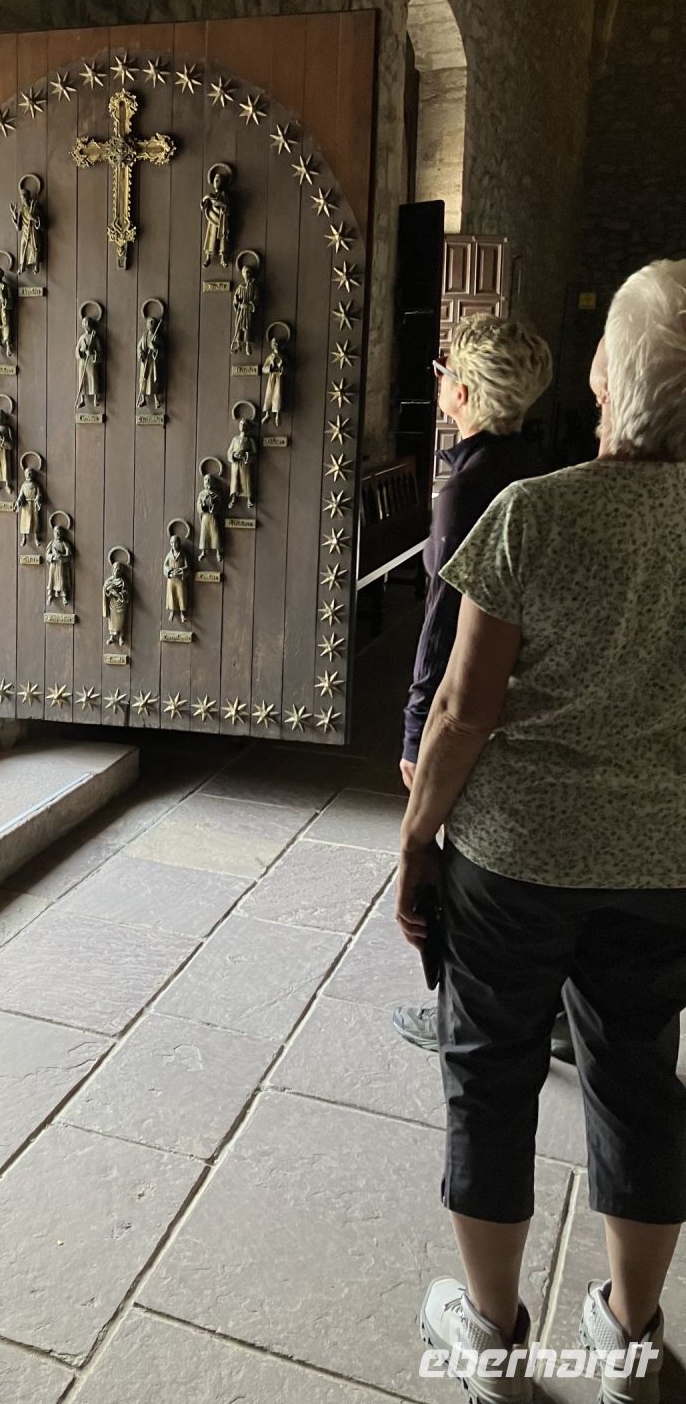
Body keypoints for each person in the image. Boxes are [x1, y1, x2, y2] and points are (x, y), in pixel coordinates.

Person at [397, 260, 686, 1402]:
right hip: (664, 862)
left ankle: (491, 1335)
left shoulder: (533, 512)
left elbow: (464, 710)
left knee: (491, 1070)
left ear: (608, 381)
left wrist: (420, 839)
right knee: (636, 1079)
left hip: (513, 858)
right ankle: (630, 1337)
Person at [389, 314, 567, 1058]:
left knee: (452, 862)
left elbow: (443, 622)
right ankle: (551, 1014)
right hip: (525, 690)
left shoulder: (469, 486)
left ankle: (459, 1011)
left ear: (460, 391)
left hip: (468, 700)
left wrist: (413, 728)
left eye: (442, 373)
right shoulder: (538, 468)